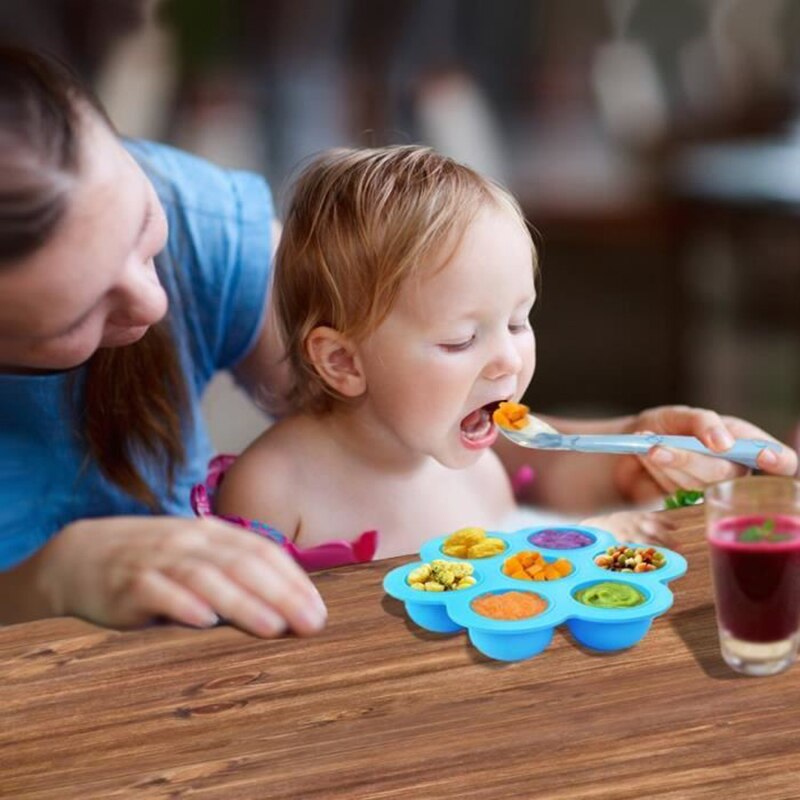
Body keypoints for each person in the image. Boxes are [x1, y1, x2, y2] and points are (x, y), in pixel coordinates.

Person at [213, 145, 798, 559]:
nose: (507, 362)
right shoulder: (273, 489)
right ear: (343, 362)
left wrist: (603, 534)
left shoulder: (481, 477)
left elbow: (501, 589)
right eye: (461, 339)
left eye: (519, 322)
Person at [0, 47, 326, 638]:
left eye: (143, 224)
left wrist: (542, 452)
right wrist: (47, 582)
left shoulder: (197, 216)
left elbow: (394, 407)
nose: (154, 304)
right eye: (75, 319)